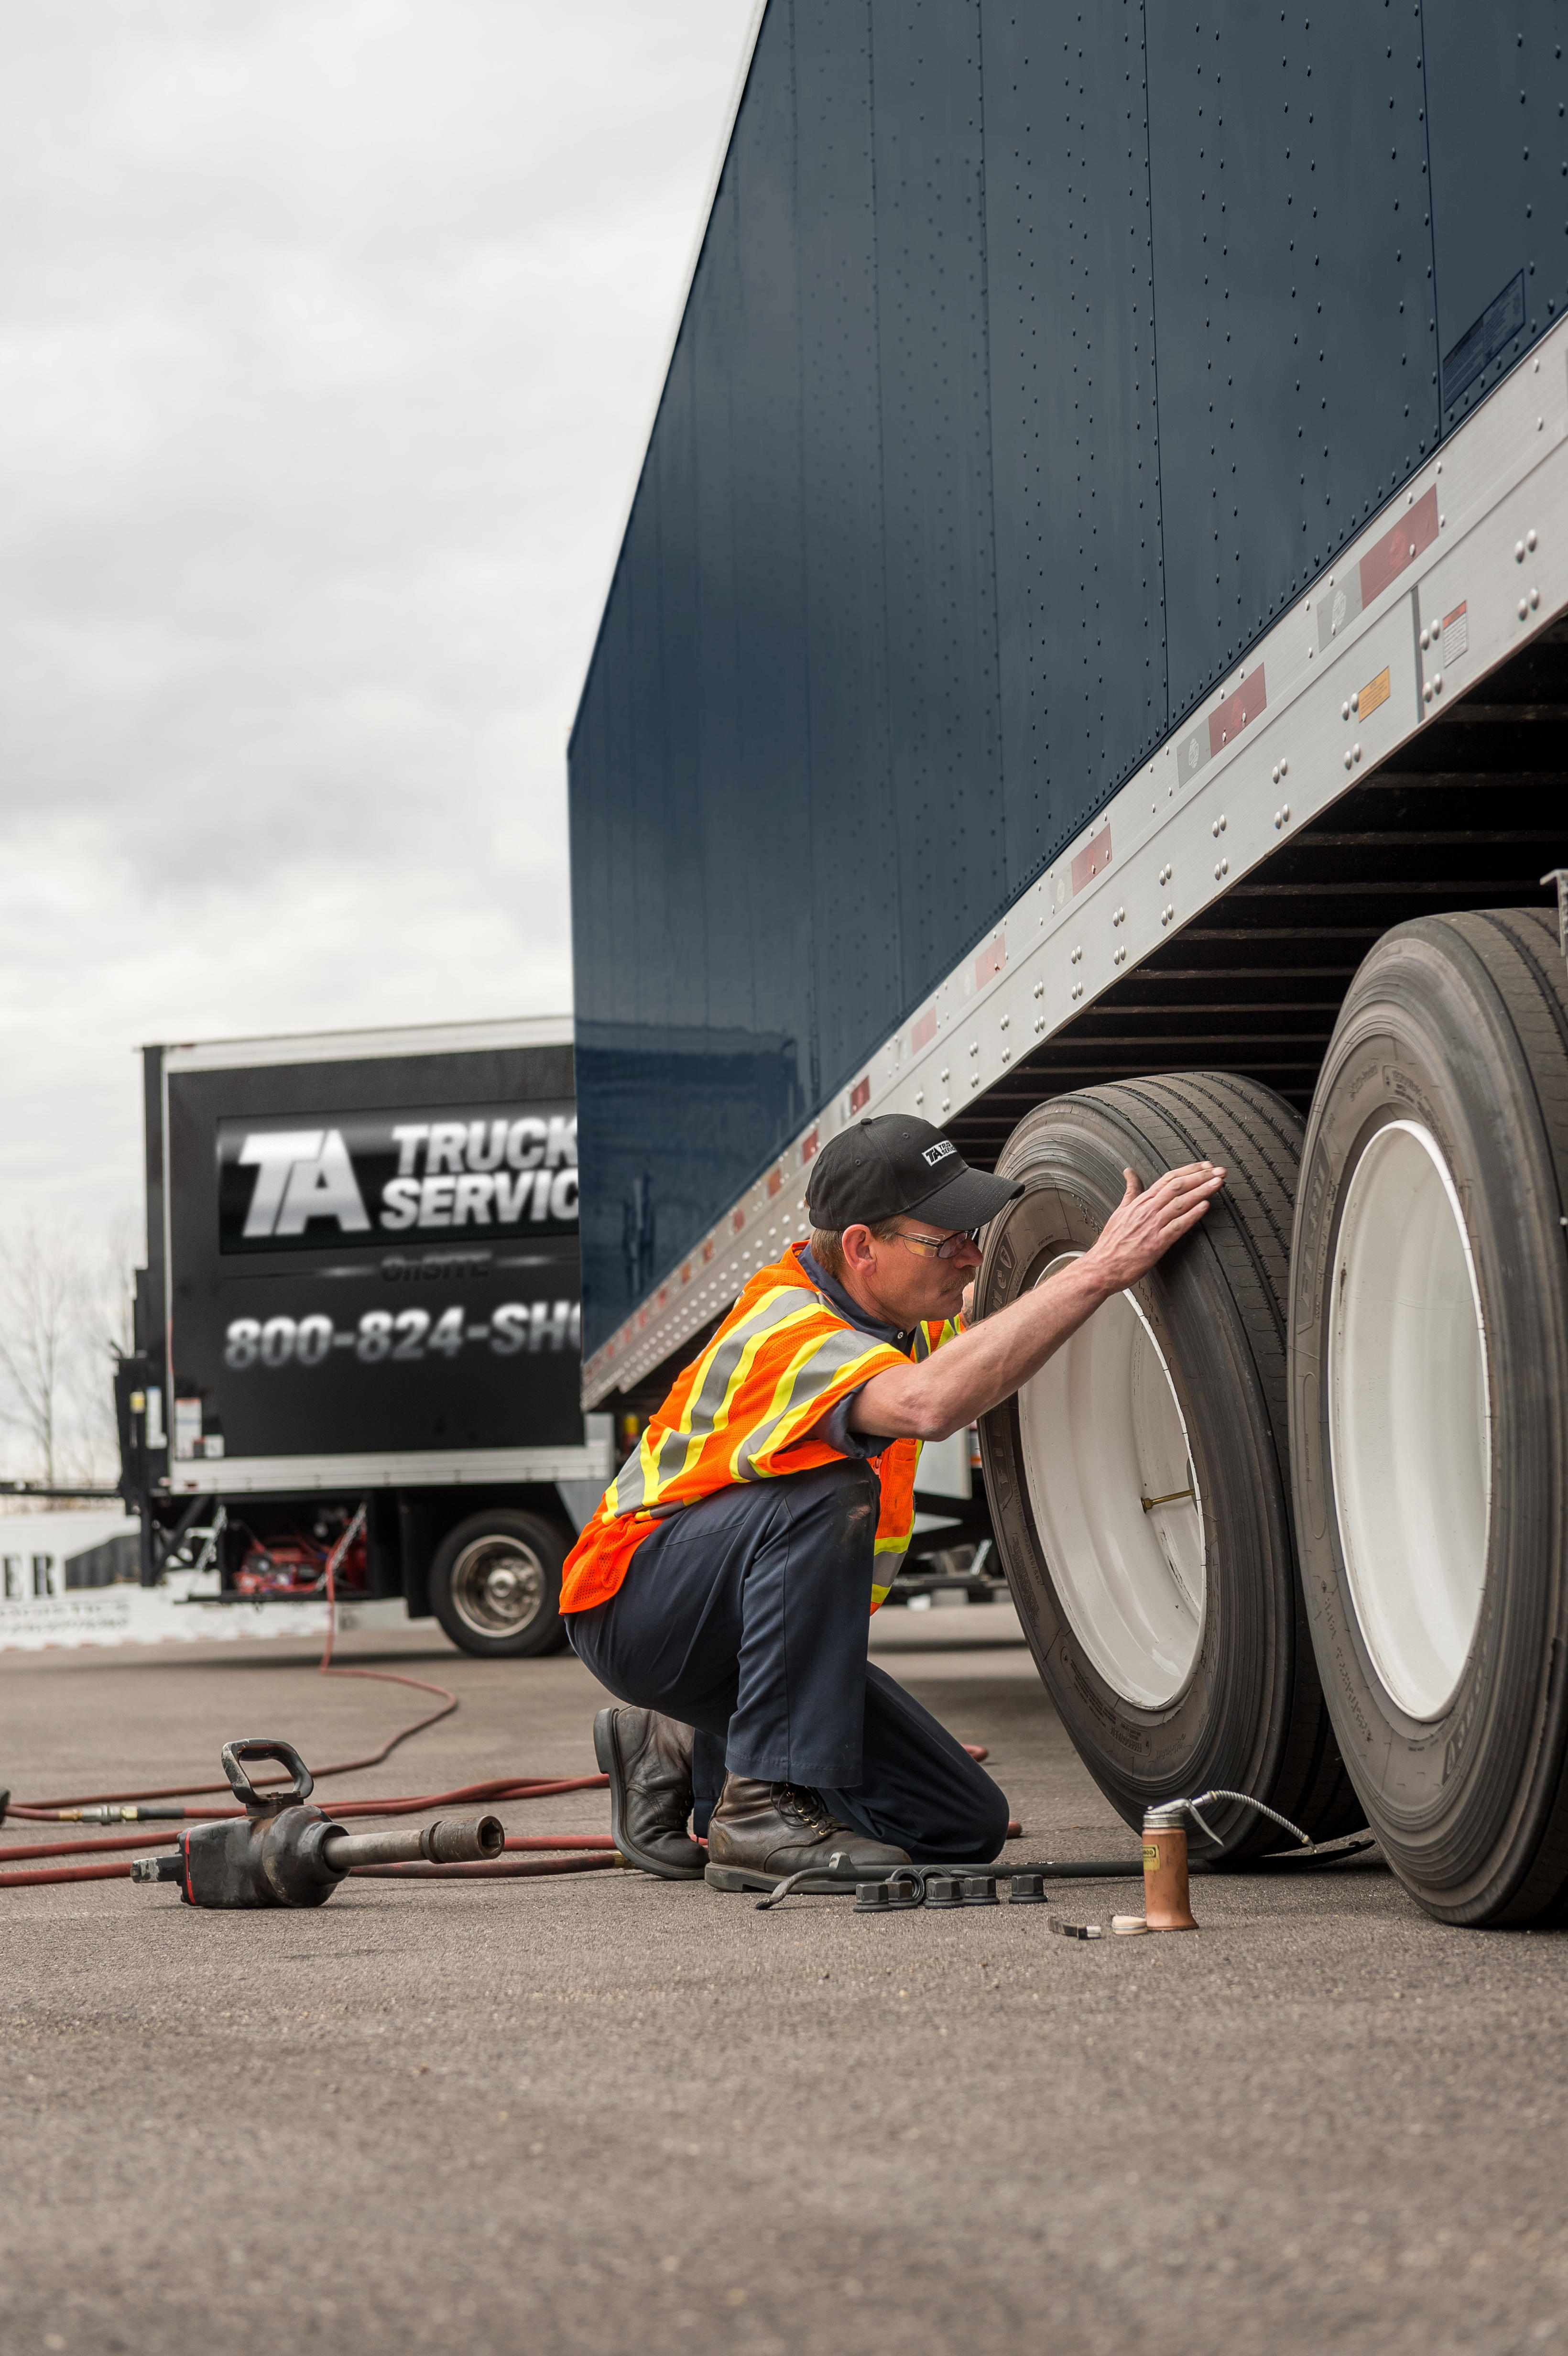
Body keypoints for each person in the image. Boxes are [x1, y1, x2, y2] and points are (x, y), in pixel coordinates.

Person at [562, 1114, 1223, 1891]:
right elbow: (928, 1406)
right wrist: (1098, 1271)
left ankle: (673, 1747)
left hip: (724, 1627)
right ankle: (760, 1807)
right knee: (828, 1491)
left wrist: (1094, 1245)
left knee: (958, 1827)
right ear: (860, 1249)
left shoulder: (889, 1319)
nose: (970, 1256)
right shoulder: (791, 1333)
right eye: (946, 1243)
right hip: (635, 1606)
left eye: (972, 1233)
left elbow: (992, 1322)